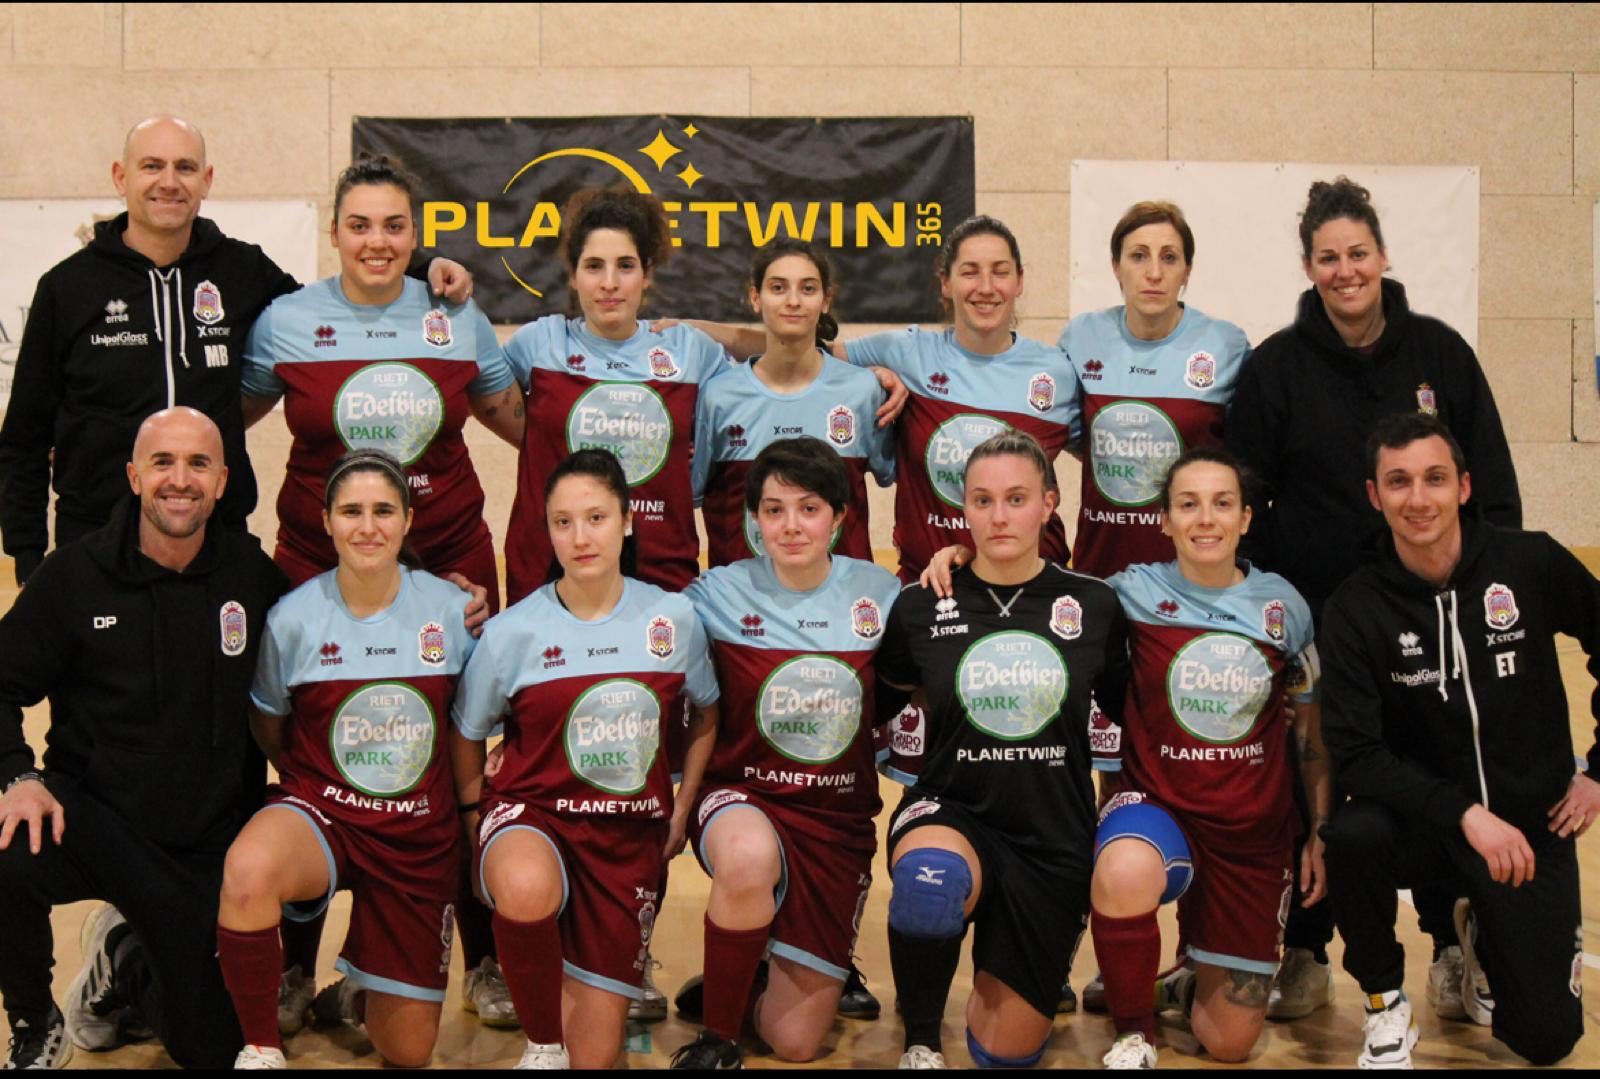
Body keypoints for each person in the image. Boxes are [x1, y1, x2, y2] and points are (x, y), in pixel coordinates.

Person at [1225, 176, 1523, 1023]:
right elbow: (1245, 492)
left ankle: (1451, 942)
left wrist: (1478, 596)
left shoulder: (1440, 354)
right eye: (1328, 257)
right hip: (1317, 620)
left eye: (1358, 253)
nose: (1345, 270)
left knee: (1434, 768)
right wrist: (1266, 600)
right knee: (1309, 777)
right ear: (1309, 267)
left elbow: (1493, 491)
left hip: (1430, 616)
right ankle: (1305, 946)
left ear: (1384, 256)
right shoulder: (1276, 367)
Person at [236, 153, 514, 1035]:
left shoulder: (455, 314)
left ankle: (486, 956)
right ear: (334, 232)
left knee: (456, 749)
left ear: (416, 234)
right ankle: (293, 963)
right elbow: (220, 420)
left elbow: (524, 417)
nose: (377, 241)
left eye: (395, 225)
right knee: (321, 750)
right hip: (317, 559)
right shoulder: (287, 322)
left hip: (452, 558)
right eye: (359, 225)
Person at [0, 116, 470, 586]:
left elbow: (330, 307)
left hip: (215, 541)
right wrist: (27, 557)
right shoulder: (67, 288)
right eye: (152, 166)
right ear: (121, 178)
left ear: (206, 180)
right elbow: (24, 437)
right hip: (96, 542)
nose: (169, 182)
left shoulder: (242, 270)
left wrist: (421, 268)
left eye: (185, 167)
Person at [0, 407, 287, 1069]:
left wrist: (436, 593)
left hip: (205, 842)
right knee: (10, 845)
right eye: (163, 462)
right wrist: (18, 775)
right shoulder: (74, 577)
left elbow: (338, 623)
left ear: (222, 481)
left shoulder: (251, 575)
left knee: (213, 1050)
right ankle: (34, 1018)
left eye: (197, 464)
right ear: (133, 476)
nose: (179, 479)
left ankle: (122, 963)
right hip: (96, 819)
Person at [1318, 411, 1597, 1068]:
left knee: (1546, 1040)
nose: (1418, 499)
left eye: (1435, 478)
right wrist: (1466, 814)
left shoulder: (1529, 562)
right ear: (1374, 495)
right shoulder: (1356, 605)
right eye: (1399, 481)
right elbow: (1357, 753)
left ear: (1465, 486)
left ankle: (1475, 930)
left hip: (1526, 827)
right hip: (1425, 823)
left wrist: (1598, 771)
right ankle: (1385, 1000)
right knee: (1353, 835)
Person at [449, 449, 721, 1068]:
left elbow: (707, 712)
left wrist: (682, 806)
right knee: (524, 889)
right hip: (534, 813)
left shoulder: (672, 618)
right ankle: (542, 1046)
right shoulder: (513, 632)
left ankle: (572, 1004)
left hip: (624, 839)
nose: (580, 537)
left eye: (596, 518)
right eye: (563, 522)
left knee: (596, 1057)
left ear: (626, 521)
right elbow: (467, 732)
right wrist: (474, 822)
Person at [213, 450, 476, 1069]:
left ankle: (359, 989)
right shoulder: (293, 618)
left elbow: (467, 727)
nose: (368, 526)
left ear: (407, 520)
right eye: (351, 511)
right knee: (248, 872)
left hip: (416, 833)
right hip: (325, 811)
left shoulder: (452, 611)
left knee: (408, 1053)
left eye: (383, 510)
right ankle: (260, 1047)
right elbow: (269, 722)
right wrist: (313, 778)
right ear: (327, 521)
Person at [875, 430, 1128, 1069]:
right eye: (982, 500)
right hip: (952, 809)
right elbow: (880, 702)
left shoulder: (1094, 604)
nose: (999, 516)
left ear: (1049, 504)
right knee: (930, 888)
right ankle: (921, 1044)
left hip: (1051, 836)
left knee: (1005, 1056)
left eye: (1016, 498)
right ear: (964, 508)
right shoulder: (922, 604)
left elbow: (1134, 718)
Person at [1087, 448, 1325, 1069]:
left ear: (1245, 518)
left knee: (1228, 1043)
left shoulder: (1283, 608)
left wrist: (1317, 830)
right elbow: (1037, 591)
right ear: (1164, 520)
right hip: (1158, 804)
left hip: (1250, 830)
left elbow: (1312, 737)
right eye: (1187, 505)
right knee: (1124, 869)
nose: (1205, 519)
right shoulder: (1131, 593)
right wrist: (961, 557)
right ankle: (1134, 1034)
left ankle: (1186, 979)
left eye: (1222, 504)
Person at [669, 438, 902, 1068]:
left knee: (795, 1044)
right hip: (742, 797)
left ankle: (741, 976)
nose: (791, 526)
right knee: (748, 857)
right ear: (754, 519)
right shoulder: (714, 594)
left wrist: (953, 557)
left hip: (834, 820)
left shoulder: (881, 594)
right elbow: (636, 643)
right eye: (774, 510)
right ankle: (717, 1040)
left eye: (809, 508)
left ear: (839, 516)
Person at [500, 186, 731, 603]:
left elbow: (778, 368)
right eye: (593, 266)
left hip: (661, 580)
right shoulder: (540, 343)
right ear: (573, 276)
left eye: (625, 266)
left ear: (647, 273)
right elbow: (477, 393)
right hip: (546, 578)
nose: (609, 283)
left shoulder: (690, 350)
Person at [1058, 201, 1250, 578]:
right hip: (1101, 569)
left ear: (1187, 271)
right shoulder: (1081, 338)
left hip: (1193, 575)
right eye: (1139, 256)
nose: (1154, 273)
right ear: (1116, 267)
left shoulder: (1226, 345)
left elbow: (1244, 448)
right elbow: (1077, 438)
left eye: (1169, 257)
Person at [692, 241, 895, 568]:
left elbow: (896, 478)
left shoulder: (862, 390)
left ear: (826, 300)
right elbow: (691, 494)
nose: (793, 301)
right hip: (743, 596)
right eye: (778, 288)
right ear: (755, 297)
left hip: (841, 594)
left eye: (808, 288)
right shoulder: (718, 395)